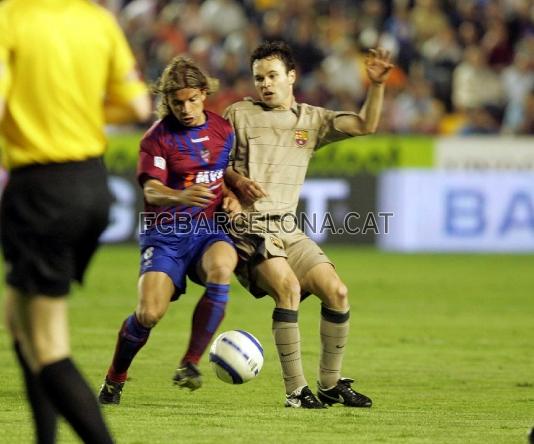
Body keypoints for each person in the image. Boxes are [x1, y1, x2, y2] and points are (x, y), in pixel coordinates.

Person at [0, 0, 150, 442]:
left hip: (41, 188)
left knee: (47, 346)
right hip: (91, 184)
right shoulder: (98, 21)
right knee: (18, 317)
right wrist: (78, 113)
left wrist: (37, 113)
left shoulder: (10, 17)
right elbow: (137, 104)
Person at [224, 41, 393, 408]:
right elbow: (211, 163)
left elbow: (366, 124)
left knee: (337, 291)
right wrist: (233, 184)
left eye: (272, 76)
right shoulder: (237, 114)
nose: (265, 84)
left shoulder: (312, 120)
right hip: (247, 227)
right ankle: (295, 392)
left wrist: (376, 85)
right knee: (289, 289)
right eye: (258, 78)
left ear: (291, 77)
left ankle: (330, 384)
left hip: (288, 228)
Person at [98, 56, 238, 404]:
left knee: (223, 268)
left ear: (204, 94)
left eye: (192, 100)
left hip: (206, 230)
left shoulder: (223, 130)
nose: (186, 109)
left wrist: (232, 194)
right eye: (177, 102)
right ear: (167, 101)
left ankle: (189, 363)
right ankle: (116, 377)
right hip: (165, 234)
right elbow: (150, 190)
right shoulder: (157, 139)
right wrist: (179, 194)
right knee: (149, 314)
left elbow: (222, 173)